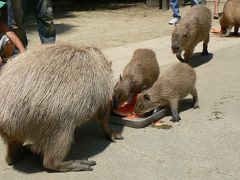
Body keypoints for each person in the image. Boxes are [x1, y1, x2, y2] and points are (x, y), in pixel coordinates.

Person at [0, 1, 25, 65]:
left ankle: (5, 59)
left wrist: (23, 52)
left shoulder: (1, 23)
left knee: (9, 39)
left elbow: (11, 34)